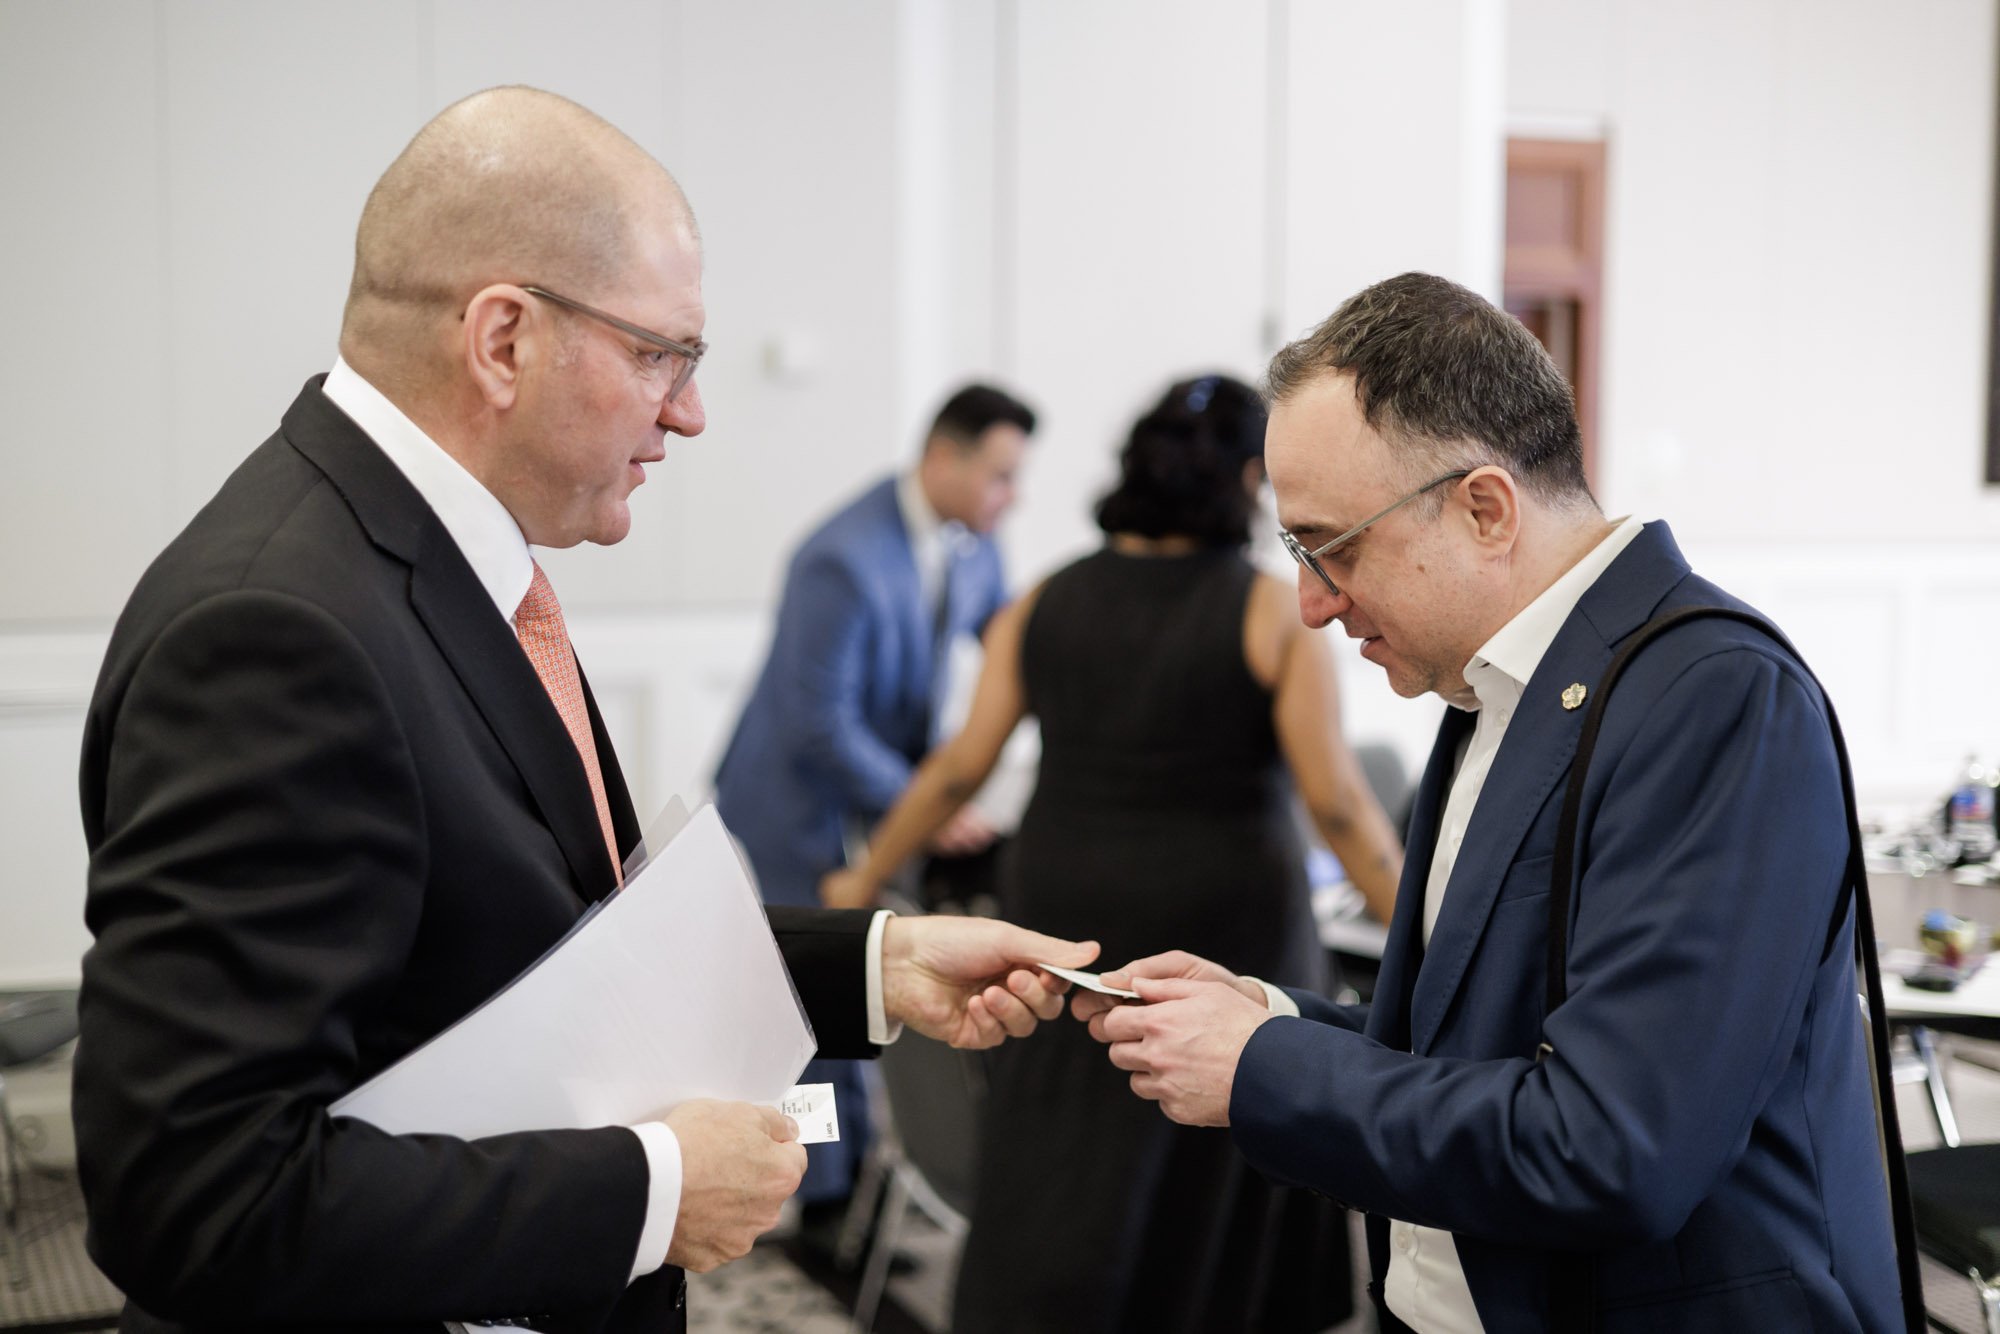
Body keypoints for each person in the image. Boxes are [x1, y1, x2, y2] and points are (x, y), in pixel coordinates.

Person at [71, 86, 1095, 1334]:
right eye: (662, 352)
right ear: (503, 340)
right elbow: (199, 1198)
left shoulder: (430, 559)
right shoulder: (274, 629)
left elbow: (542, 943)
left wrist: (879, 960)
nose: (690, 411)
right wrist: (652, 1188)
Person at [1075, 274, 1902, 1332]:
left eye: (1332, 546)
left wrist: (1264, 1068)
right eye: (1295, 551)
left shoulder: (1717, 698)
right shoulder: (1490, 684)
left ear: (1482, 507)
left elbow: (1613, 1148)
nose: (1312, 602)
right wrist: (1271, 1019)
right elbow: (1475, 1054)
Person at [822, 373, 1404, 1333]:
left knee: (1066, 1154)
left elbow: (960, 769)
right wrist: (1424, 934)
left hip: (1069, 914)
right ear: (1248, 482)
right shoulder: (1265, 612)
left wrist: (861, 874)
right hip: (1230, 923)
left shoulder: (1047, 596)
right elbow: (1338, 806)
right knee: (1224, 1129)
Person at [712, 383, 1034, 1222]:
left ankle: (855, 1178)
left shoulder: (972, 546)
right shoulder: (843, 558)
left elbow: (1005, 645)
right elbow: (818, 724)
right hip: (794, 809)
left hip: (874, 809)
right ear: (942, 458)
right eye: (1000, 476)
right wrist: (926, 804)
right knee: (808, 1020)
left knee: (866, 997)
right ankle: (814, 1194)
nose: (1014, 497)